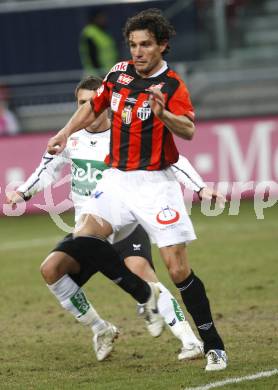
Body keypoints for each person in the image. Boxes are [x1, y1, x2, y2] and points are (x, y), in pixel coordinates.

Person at [47, 9, 227, 371]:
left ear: (162, 45)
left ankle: (213, 345)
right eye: (133, 44)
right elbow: (93, 107)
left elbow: (188, 131)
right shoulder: (118, 73)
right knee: (83, 237)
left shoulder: (173, 85)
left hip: (156, 185)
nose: (138, 51)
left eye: (145, 44)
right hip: (117, 178)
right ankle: (145, 294)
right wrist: (66, 132)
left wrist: (164, 115)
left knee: (177, 270)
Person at [7, 76, 220, 362]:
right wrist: (23, 192)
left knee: (144, 274)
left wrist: (200, 186)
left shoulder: (125, 136)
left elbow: (172, 159)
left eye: (91, 102)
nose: (87, 108)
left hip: (124, 224)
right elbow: (46, 168)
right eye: (81, 103)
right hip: (90, 230)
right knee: (51, 270)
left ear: (105, 104)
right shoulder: (73, 139)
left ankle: (189, 340)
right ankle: (101, 328)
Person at [79, 8, 118, 77]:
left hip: (108, 72)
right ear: (95, 18)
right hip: (96, 75)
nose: (104, 19)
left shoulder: (103, 32)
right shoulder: (90, 33)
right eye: (101, 17)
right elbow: (92, 55)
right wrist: (100, 72)